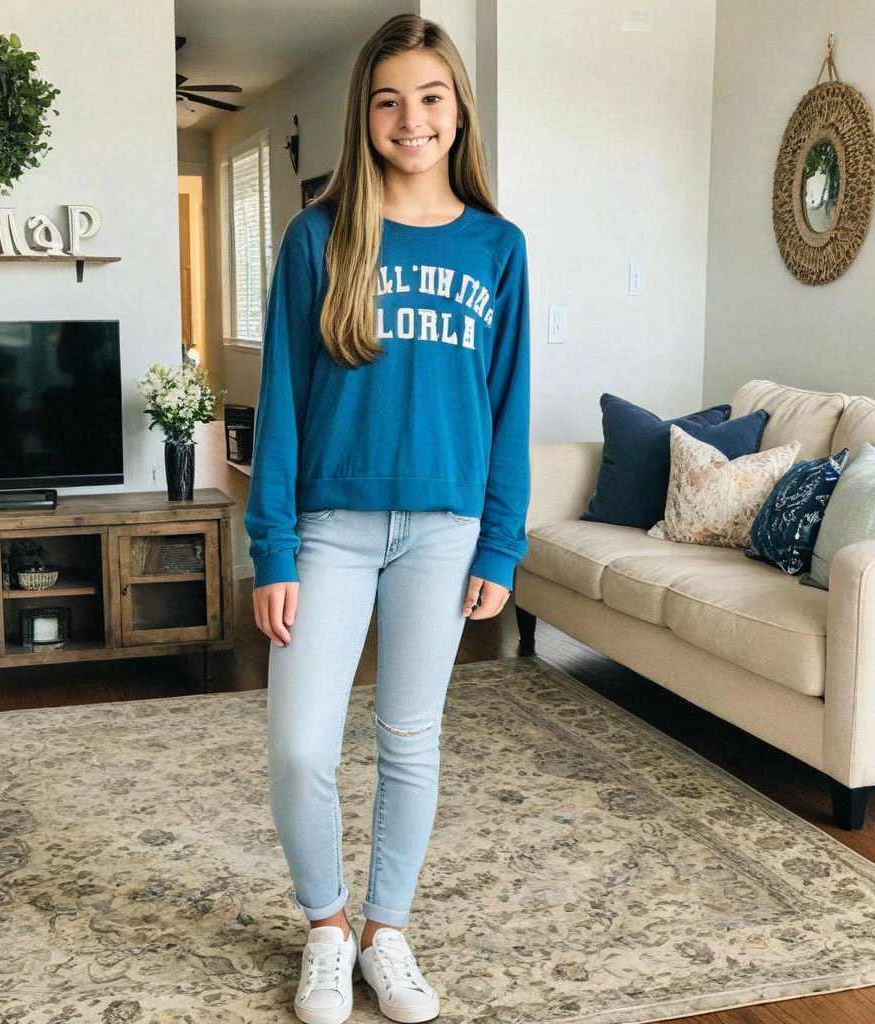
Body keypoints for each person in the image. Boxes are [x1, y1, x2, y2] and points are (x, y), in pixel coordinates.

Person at [245, 13, 530, 1024]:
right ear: (364, 116)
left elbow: (508, 404)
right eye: (388, 99)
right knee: (299, 747)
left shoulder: (499, 246)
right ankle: (325, 924)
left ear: (457, 112)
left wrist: (503, 538)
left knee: (411, 741)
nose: (411, 119)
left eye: (430, 98)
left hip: (445, 532)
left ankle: (386, 931)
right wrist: (269, 547)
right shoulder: (318, 235)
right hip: (327, 525)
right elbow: (278, 401)